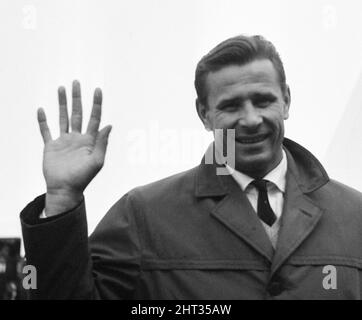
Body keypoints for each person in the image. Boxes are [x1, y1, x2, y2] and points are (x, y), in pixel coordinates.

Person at [20, 34, 362, 300]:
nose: (251, 119)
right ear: (204, 114)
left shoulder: (354, 216)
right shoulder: (144, 216)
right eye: (230, 106)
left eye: (263, 100)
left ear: (286, 100)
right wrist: (62, 198)